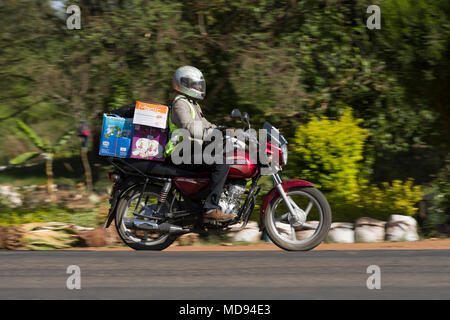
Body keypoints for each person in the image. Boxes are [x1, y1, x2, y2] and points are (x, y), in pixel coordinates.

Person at [110, 66, 233, 222]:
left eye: (199, 84)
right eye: (194, 84)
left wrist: (223, 130)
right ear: (183, 84)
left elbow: (205, 123)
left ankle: (198, 203)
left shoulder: (191, 103)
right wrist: (211, 133)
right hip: (179, 152)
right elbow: (189, 126)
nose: (198, 87)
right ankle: (210, 207)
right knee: (221, 163)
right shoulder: (180, 104)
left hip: (188, 150)